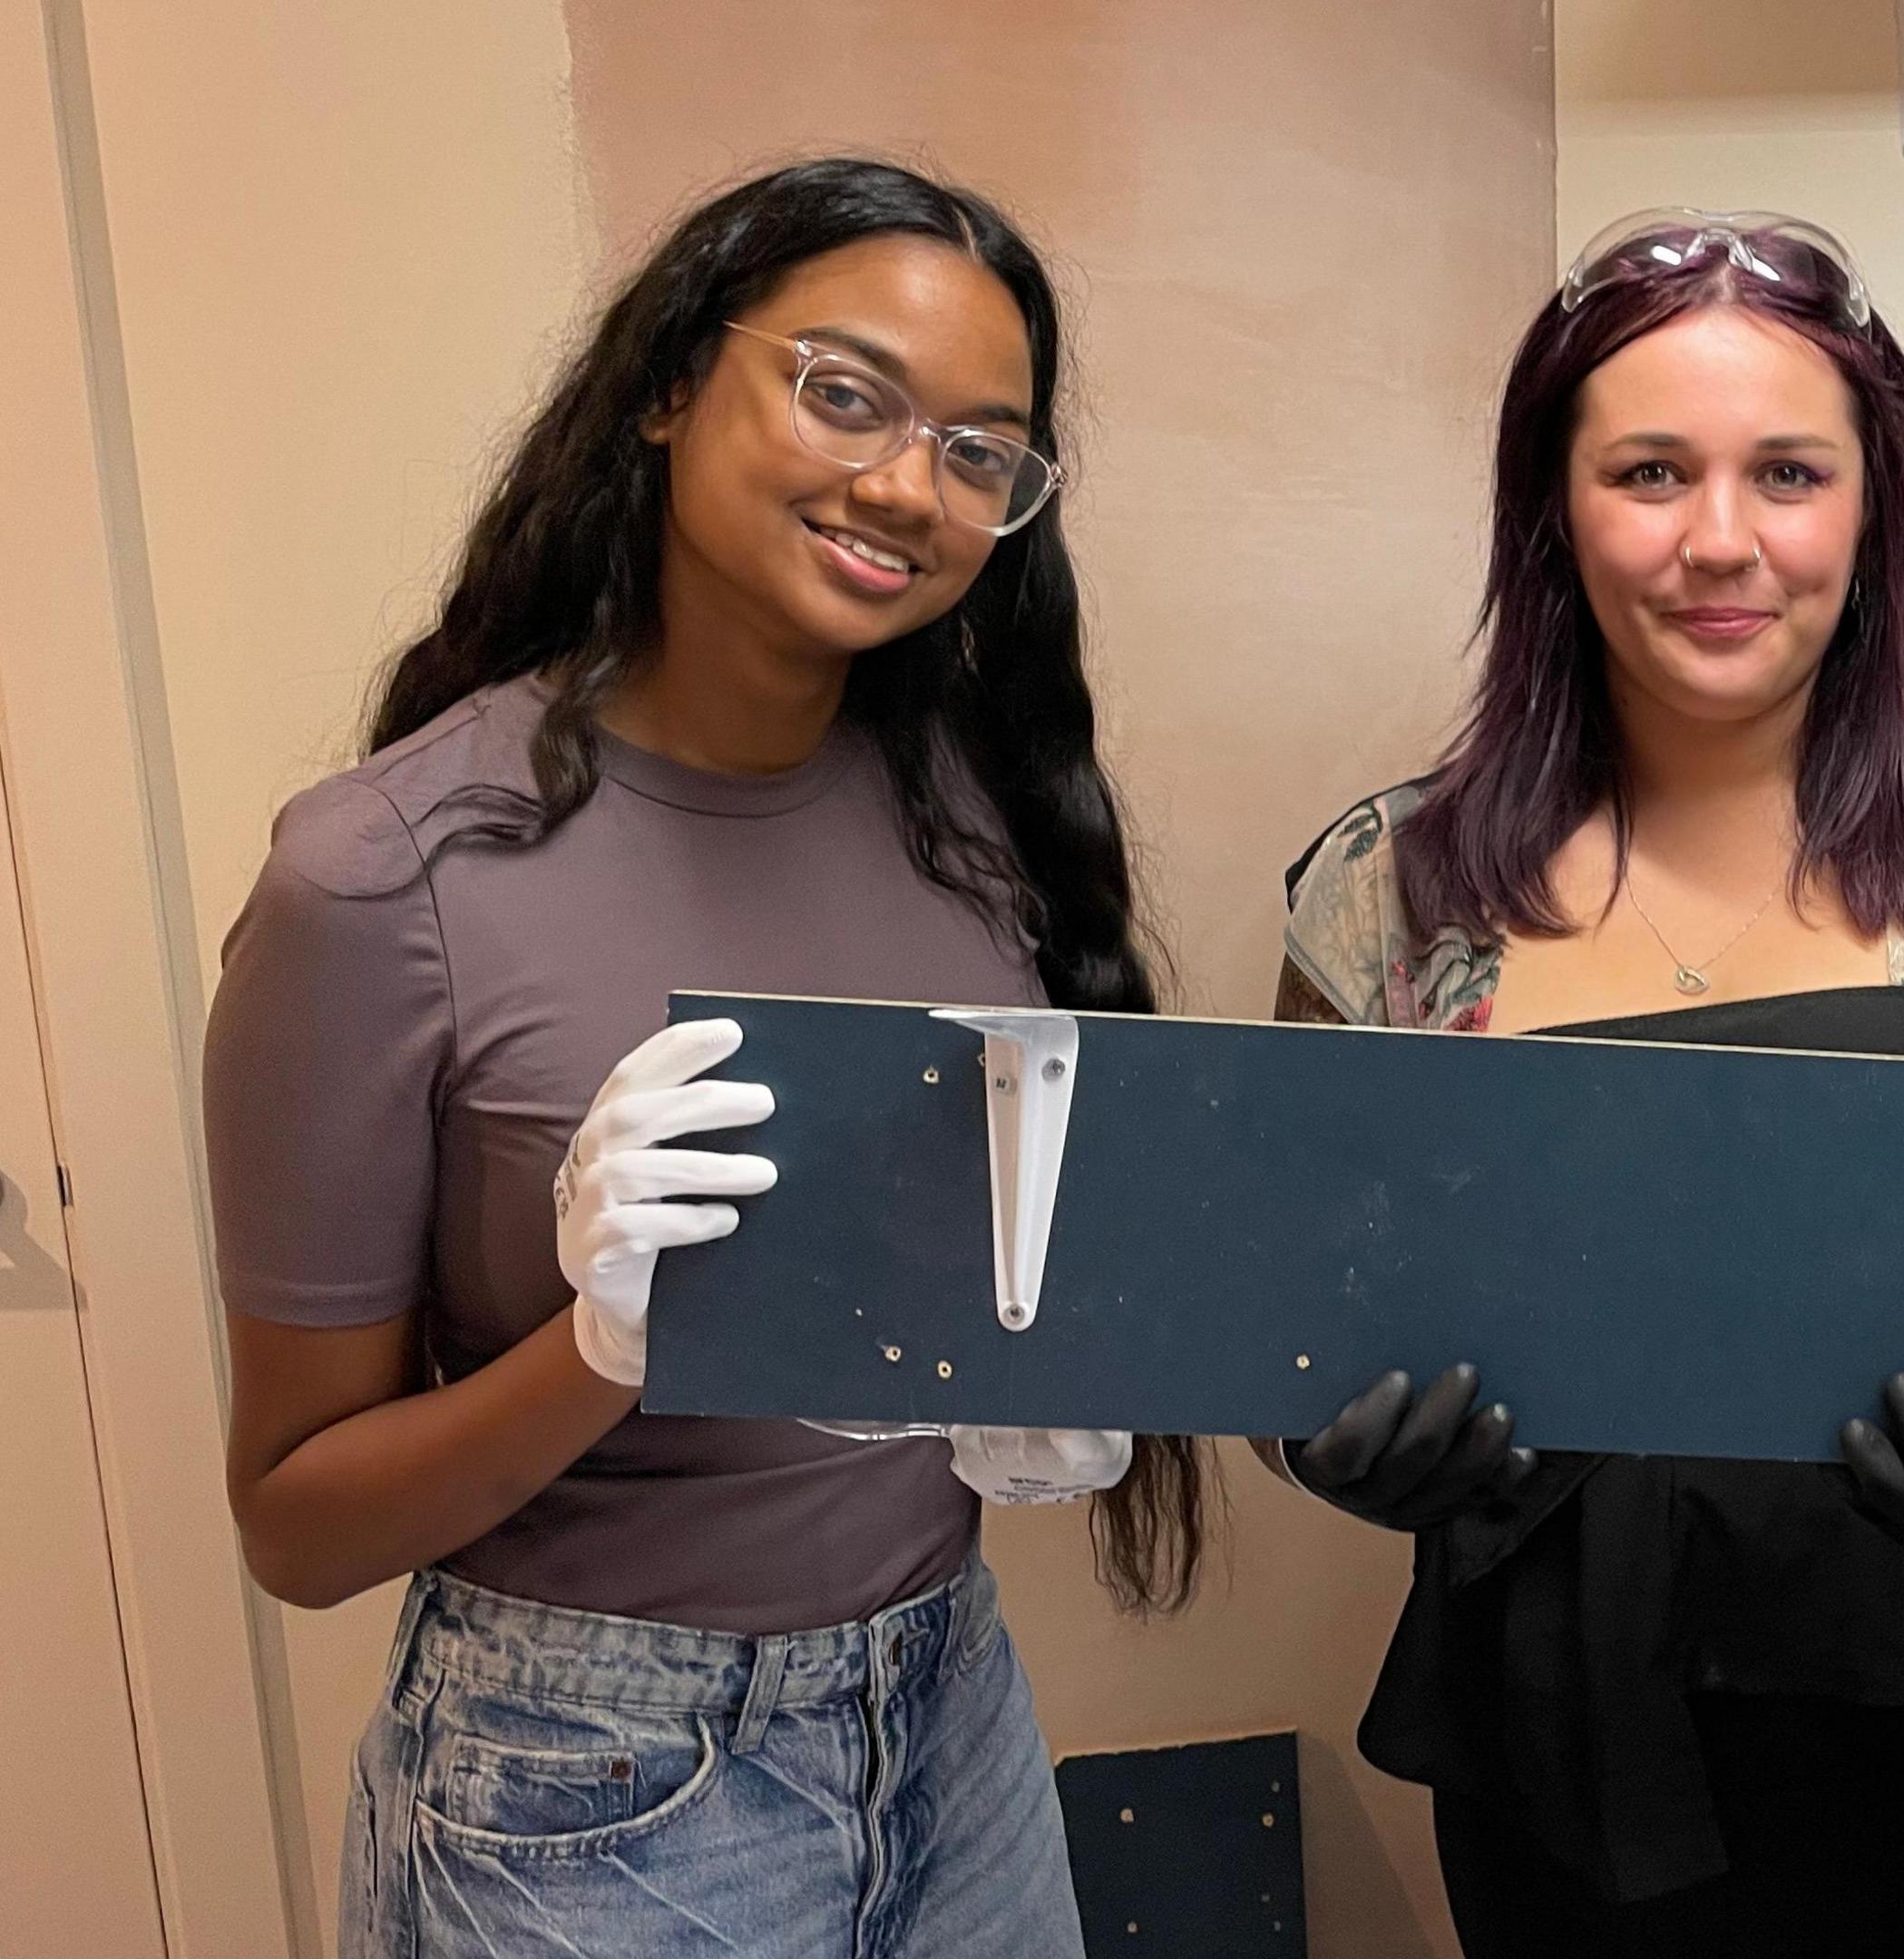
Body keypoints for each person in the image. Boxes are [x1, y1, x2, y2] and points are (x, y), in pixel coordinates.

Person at [206, 159, 1208, 1957]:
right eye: (845, 394)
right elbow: (297, 1526)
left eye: (982, 452)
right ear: (671, 385)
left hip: (948, 1706)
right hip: (588, 1780)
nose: (909, 485)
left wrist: (1043, 1363)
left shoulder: (968, 822)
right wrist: (606, 1349)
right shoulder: (380, 876)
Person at [1267, 210, 1904, 1955]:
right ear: (1551, 510)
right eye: (1650, 470)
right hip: (1558, 1764)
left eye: (1788, 472)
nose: (1721, 543)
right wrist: (1329, 1446)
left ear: (1875, 509)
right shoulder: (1389, 892)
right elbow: (1268, 1317)